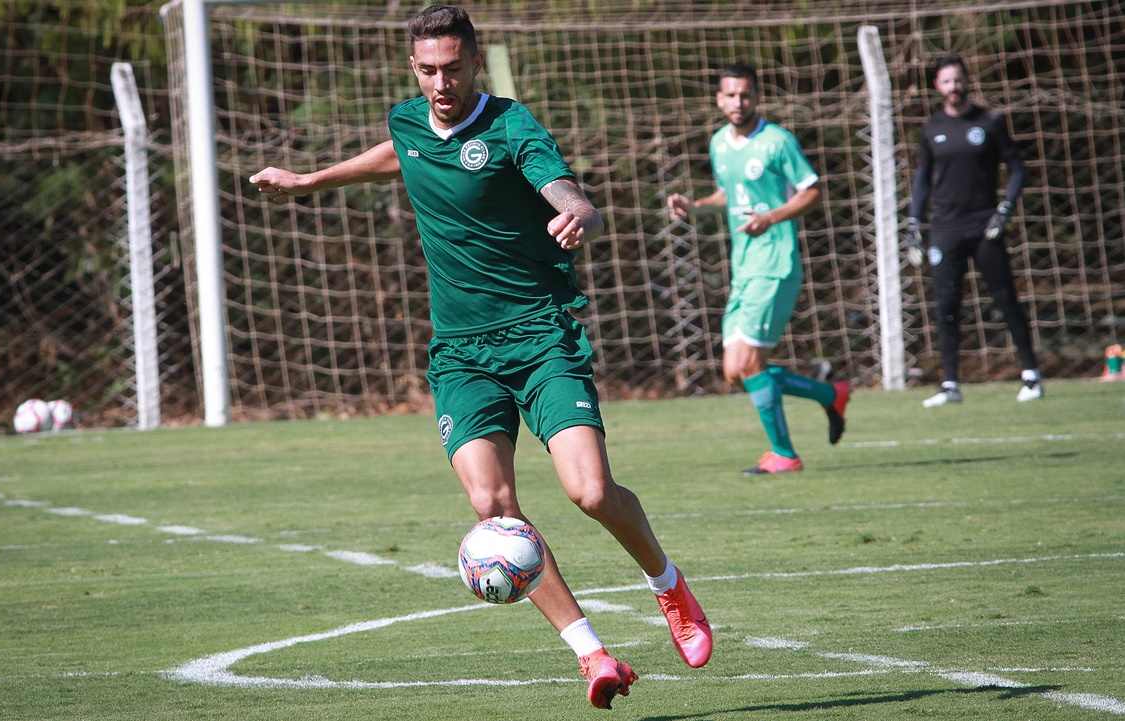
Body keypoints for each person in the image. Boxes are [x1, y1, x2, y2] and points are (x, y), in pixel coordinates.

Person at [249, 5, 711, 710]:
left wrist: (576, 211)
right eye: (429, 69)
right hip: (460, 354)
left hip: (538, 335)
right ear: (414, 67)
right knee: (491, 509)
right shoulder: (408, 120)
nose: (442, 81)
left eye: (453, 68)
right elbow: (395, 154)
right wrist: (311, 181)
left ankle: (667, 584)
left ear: (474, 61)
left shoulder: (510, 125)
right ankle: (591, 654)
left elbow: (563, 189)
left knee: (588, 492)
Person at [667, 63, 850, 476]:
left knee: (747, 364)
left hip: (775, 262)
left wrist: (772, 217)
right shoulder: (718, 143)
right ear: (719, 99)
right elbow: (729, 194)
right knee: (735, 371)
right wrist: (694, 206)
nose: (738, 102)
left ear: (757, 96)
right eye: (730, 95)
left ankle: (784, 454)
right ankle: (828, 393)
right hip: (744, 267)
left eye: (745, 94)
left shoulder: (777, 141)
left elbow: (813, 191)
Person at [905, 53, 1042, 407]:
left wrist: (1005, 210)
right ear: (938, 86)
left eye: (958, 79)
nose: (954, 87)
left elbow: (1017, 167)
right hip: (945, 229)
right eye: (947, 81)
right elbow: (922, 179)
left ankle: (1031, 374)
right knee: (947, 306)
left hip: (984, 227)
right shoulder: (931, 127)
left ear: (967, 81)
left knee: (1005, 298)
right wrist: (912, 222)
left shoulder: (990, 122)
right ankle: (950, 384)